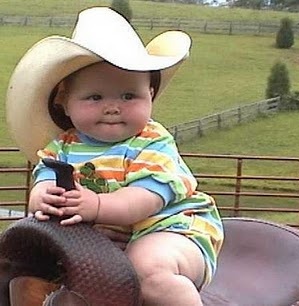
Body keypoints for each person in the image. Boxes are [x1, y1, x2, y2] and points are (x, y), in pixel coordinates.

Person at [6, 7, 224, 305]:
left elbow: (145, 199)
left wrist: (95, 206)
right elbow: (45, 180)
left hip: (170, 228)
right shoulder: (62, 147)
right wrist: (41, 197)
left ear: (150, 95)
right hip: (100, 242)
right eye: (95, 97)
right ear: (64, 102)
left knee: (147, 272)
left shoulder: (152, 142)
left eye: (128, 96)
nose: (112, 107)